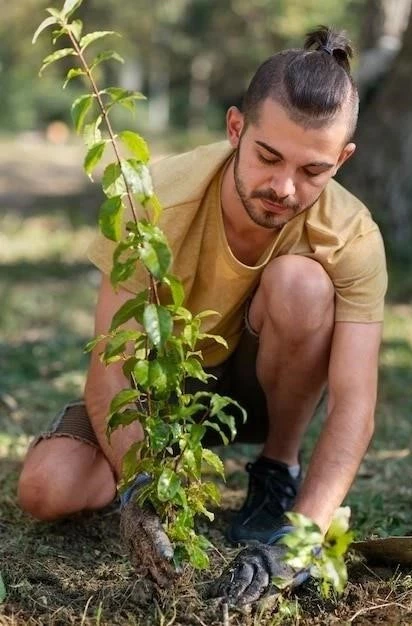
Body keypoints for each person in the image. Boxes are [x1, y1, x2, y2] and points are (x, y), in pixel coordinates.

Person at [18, 25, 387, 606]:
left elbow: (355, 406)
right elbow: (110, 366)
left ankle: (275, 473)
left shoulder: (352, 235)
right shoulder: (153, 196)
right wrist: (141, 490)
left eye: (313, 170)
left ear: (342, 160)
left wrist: (301, 540)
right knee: (45, 489)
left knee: (300, 283)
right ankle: (169, 477)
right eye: (268, 156)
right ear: (235, 128)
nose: (285, 188)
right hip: (158, 389)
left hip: (265, 388)